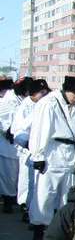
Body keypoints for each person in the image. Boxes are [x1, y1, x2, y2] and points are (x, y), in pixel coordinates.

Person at [27, 76, 75, 240]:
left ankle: (63, 233)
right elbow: (39, 130)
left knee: (68, 197)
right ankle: (38, 234)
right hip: (52, 153)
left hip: (71, 155)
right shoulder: (49, 103)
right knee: (44, 195)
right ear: (66, 90)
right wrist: (38, 155)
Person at [10, 79, 50, 218]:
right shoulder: (25, 106)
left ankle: (30, 207)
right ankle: (25, 205)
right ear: (33, 93)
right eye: (41, 92)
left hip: (39, 149)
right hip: (27, 148)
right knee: (26, 180)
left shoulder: (43, 105)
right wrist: (28, 143)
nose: (44, 95)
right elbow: (17, 129)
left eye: (45, 92)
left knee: (35, 182)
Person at [0, 77, 30, 213]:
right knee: (8, 175)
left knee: (16, 175)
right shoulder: (8, 101)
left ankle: (14, 199)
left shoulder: (21, 100)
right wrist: (8, 130)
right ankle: (8, 200)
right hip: (7, 145)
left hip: (18, 146)